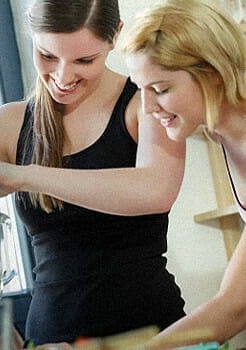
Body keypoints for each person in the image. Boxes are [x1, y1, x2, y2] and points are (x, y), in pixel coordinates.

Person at [0, 0, 187, 346]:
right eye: (48, 56)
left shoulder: (145, 103)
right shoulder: (9, 124)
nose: (63, 77)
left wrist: (23, 175)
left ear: (115, 37)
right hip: (52, 342)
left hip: (154, 336)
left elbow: (155, 190)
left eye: (84, 60)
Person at [121, 0, 246, 346]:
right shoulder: (222, 135)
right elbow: (233, 304)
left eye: (160, 89)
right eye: (140, 89)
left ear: (213, 73)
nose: (147, 108)